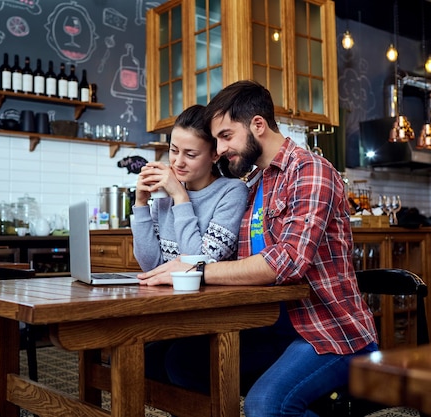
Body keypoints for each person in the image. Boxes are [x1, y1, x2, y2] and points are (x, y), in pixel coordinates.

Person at [138, 80, 378, 417]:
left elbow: (287, 262)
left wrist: (197, 269)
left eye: (225, 136)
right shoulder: (253, 184)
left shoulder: (310, 171)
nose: (219, 149)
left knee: (265, 406)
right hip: (268, 326)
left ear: (258, 125)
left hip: (329, 331)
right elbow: (230, 257)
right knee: (180, 363)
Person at [131, 104, 249, 271]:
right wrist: (141, 204)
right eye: (174, 150)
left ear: (215, 154)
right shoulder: (164, 194)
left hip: (207, 296)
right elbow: (150, 266)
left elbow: (196, 266)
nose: (178, 162)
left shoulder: (233, 192)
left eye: (190, 154)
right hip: (169, 294)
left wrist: (180, 197)